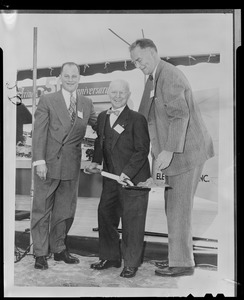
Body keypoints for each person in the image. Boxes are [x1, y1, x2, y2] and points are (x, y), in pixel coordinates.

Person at [129, 39, 214, 277]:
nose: (138, 65)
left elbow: (179, 115)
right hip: (177, 152)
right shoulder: (153, 78)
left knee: (178, 208)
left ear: (153, 53)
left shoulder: (170, 75)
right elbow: (147, 116)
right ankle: (177, 258)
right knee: (173, 207)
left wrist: (167, 151)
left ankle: (182, 263)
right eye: (134, 61)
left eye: (140, 59)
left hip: (186, 153)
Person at [31, 62, 97, 270]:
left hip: (70, 165)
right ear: (60, 77)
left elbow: (99, 124)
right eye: (66, 76)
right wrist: (39, 160)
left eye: (74, 76)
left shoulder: (86, 103)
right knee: (42, 209)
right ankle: (41, 253)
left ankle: (59, 249)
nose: (70, 79)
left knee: (65, 211)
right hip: (48, 164)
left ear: (79, 78)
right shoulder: (48, 100)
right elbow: (39, 132)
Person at [87, 79, 151, 278]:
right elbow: (101, 142)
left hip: (132, 181)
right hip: (110, 179)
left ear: (128, 94)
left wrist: (128, 173)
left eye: (121, 93)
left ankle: (131, 263)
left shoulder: (137, 118)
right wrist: (96, 162)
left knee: (132, 222)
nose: (117, 96)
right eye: (113, 92)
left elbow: (142, 150)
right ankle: (110, 257)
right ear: (108, 93)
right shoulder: (104, 117)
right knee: (105, 215)